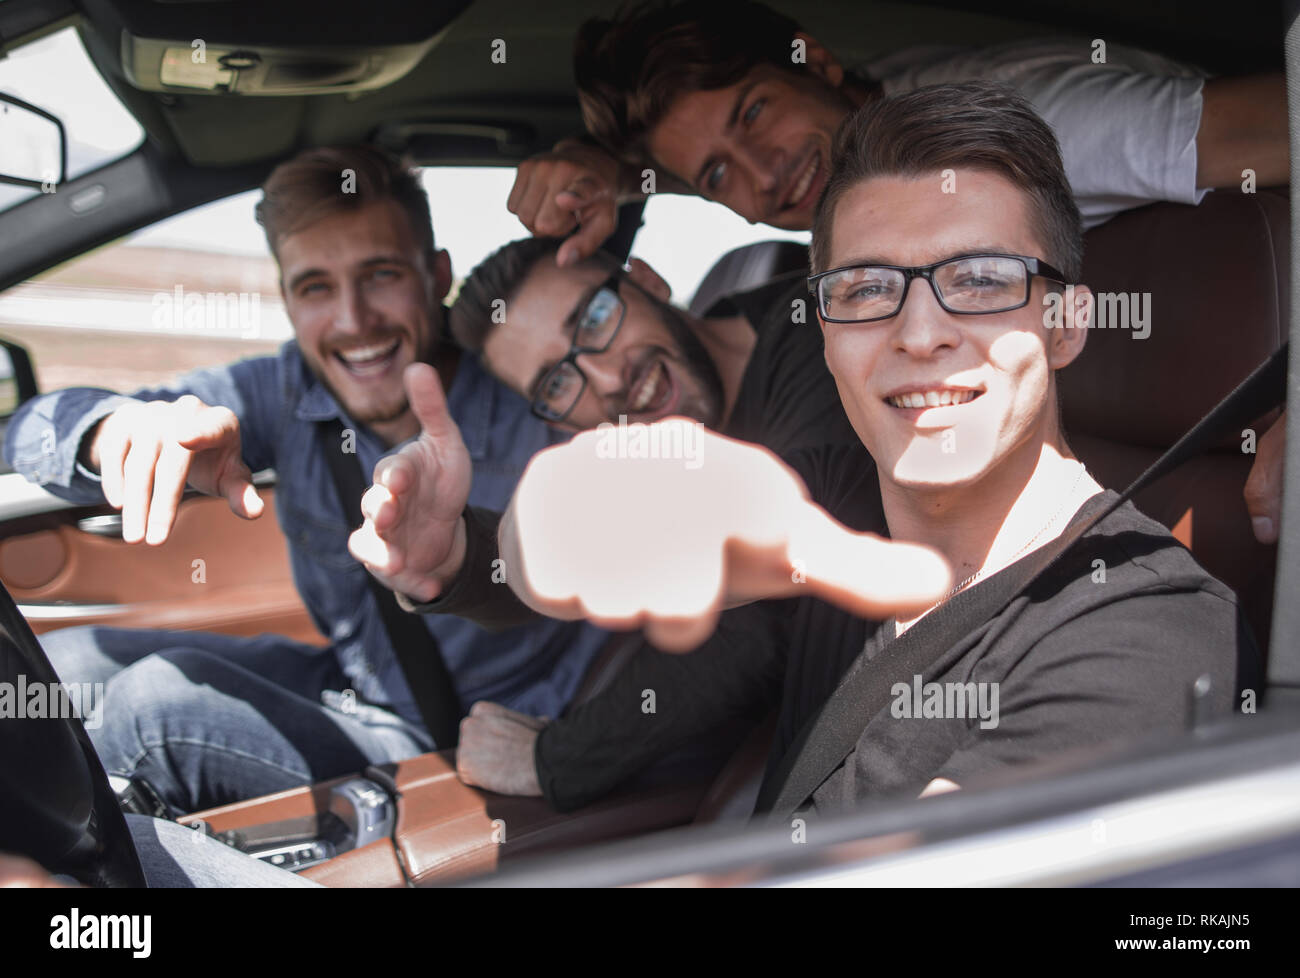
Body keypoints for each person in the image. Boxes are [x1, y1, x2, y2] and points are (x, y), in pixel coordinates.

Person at [364, 82, 1259, 814]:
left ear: (1066, 322)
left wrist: (560, 759)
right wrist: (457, 558)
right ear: (826, 333)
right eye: (868, 291)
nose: (920, 332)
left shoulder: (1140, 631)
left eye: (980, 281)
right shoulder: (835, 551)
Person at [507, 0, 1288, 545]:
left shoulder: (1024, 122)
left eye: (753, 112)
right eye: (717, 176)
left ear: (814, 59)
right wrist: (606, 171)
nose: (765, 173)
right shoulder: (867, 142)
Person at [4, 145, 607, 817]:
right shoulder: (282, 390)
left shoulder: (533, 392)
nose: (353, 321)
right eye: (316, 287)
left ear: (437, 276)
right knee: (63, 664)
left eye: (380, 275)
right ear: (287, 300)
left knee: (152, 709)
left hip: (462, 728)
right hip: (350, 679)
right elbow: (30, 428)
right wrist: (112, 431)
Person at [352, 235, 860, 805]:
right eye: (556, 383)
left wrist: (558, 760)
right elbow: (575, 558)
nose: (608, 379)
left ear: (645, 279)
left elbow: (773, 612)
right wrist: (456, 560)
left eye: (594, 320)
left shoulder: (817, 332)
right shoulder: (667, 448)